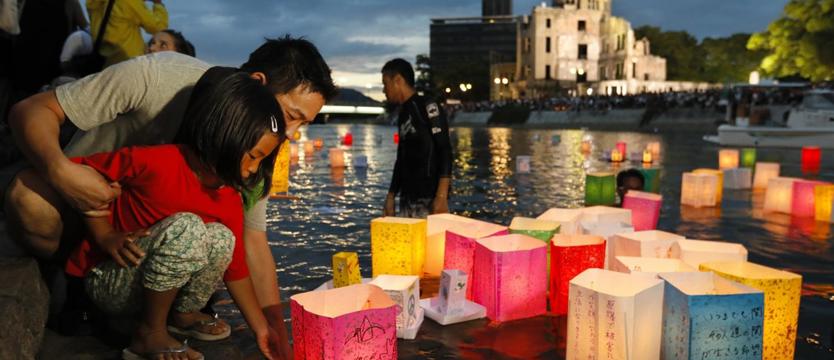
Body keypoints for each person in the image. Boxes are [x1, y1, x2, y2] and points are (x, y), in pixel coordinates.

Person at [4, 36, 337, 359]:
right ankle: (80, 290)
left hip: (161, 247)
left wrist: (271, 330)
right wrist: (61, 172)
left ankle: (173, 312)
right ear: (256, 84)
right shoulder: (160, 79)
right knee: (28, 195)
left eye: (303, 124)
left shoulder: (251, 155)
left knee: (215, 236)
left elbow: (250, 242)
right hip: (92, 215)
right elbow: (31, 110)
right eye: (291, 115)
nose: (290, 134)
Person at [69, 72, 284, 360]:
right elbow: (81, 175)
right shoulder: (157, 161)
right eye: (254, 156)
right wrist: (104, 233)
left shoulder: (230, 197)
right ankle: (150, 333)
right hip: (110, 280)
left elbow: (236, 269)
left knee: (223, 238)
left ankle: (182, 315)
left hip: (152, 291)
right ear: (225, 135)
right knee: (188, 227)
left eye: (262, 160)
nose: (255, 169)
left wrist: (261, 328)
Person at [381, 58, 452, 218]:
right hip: (408, 196)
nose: (384, 90)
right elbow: (401, 158)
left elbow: (444, 149)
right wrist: (391, 196)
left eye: (385, 84)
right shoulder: (402, 113)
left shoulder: (428, 105)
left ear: (398, 80)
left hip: (430, 197)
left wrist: (441, 196)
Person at [88, 0, 168, 67]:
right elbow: (159, 28)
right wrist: (158, 4)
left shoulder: (92, 1)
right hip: (128, 60)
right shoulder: (131, 2)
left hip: (103, 56)